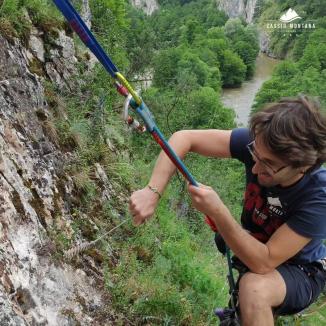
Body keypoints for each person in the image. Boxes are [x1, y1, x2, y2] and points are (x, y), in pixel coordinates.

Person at [129, 95, 326, 326]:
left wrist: (219, 212)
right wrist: (153, 191)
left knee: (254, 289)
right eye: (255, 155)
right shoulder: (263, 146)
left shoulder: (318, 197)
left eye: (269, 165)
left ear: (302, 166)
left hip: (302, 270)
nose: (255, 167)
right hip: (257, 251)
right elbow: (184, 138)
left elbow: (265, 262)